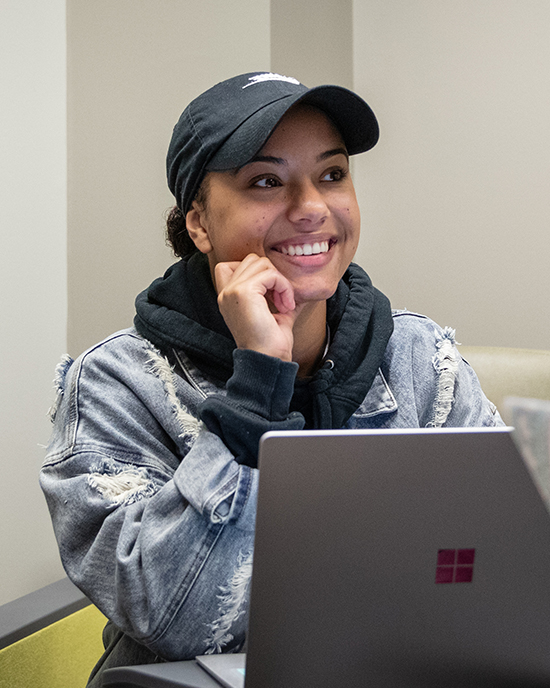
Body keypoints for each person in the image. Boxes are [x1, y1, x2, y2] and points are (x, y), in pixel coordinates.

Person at [40, 72, 501, 685]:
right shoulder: (117, 384)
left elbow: (502, 569)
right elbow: (176, 616)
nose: (312, 207)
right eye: (266, 181)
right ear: (199, 222)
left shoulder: (419, 359)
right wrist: (259, 380)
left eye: (332, 174)